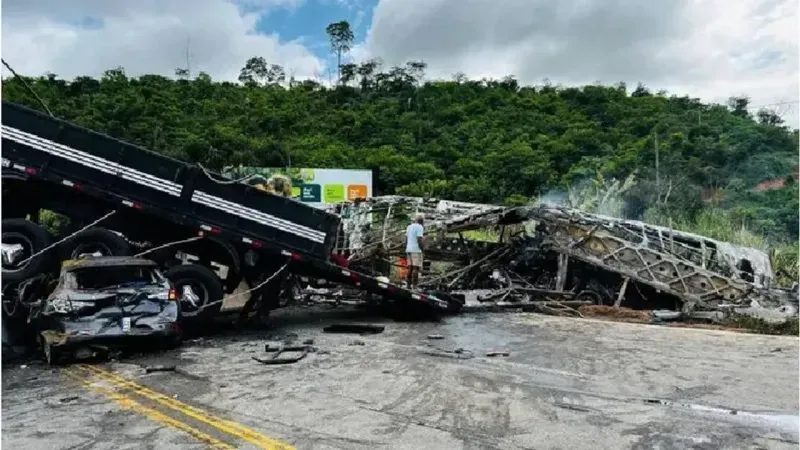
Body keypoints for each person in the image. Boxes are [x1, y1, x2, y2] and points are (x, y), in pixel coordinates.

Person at [405, 214, 425, 288]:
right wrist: (422, 249)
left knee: (410, 268)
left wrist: (407, 247)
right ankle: (415, 286)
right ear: (422, 221)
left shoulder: (409, 227)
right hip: (416, 250)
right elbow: (419, 239)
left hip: (409, 249)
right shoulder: (420, 227)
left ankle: (408, 285)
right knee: (415, 268)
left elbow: (406, 239)